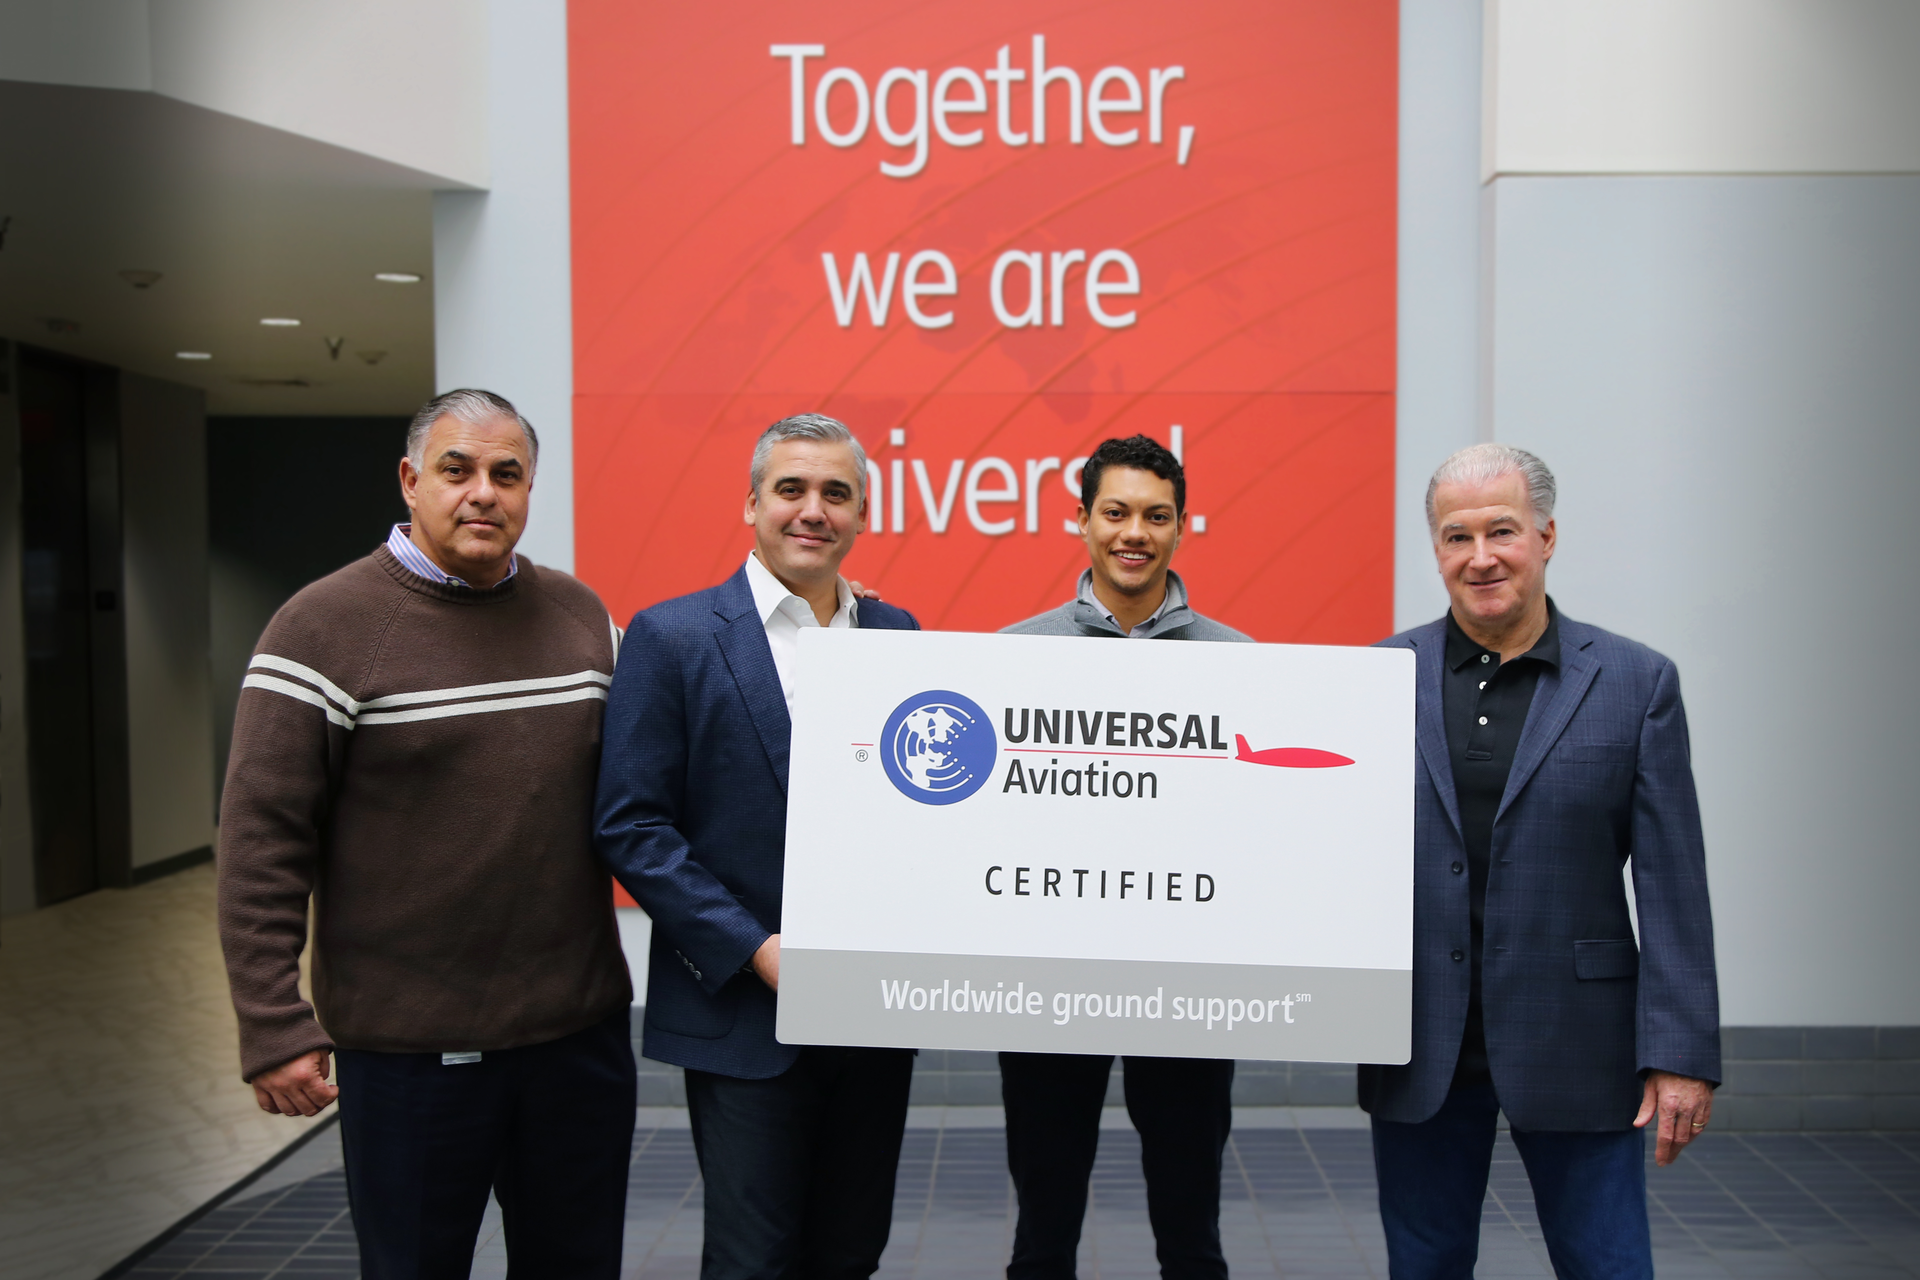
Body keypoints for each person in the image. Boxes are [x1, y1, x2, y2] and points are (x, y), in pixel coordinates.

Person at [217, 389, 636, 1278]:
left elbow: (678, 743)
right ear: (411, 482)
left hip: (577, 1043)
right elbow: (261, 840)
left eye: (507, 474)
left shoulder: (581, 619)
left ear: (530, 491)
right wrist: (272, 1022)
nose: (483, 492)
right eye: (458, 470)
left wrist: (824, 619)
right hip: (411, 1059)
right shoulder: (320, 627)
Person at [1363, 442, 1719, 1279]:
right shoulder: (1376, 678)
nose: (1480, 557)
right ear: (1437, 550)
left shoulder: (1636, 683)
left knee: (1607, 1266)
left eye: (1502, 531)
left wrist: (1681, 1055)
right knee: (1425, 1268)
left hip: (1580, 1043)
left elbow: (1673, 887)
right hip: (1421, 1045)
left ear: (1547, 537)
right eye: (1456, 537)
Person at [594, 413, 921, 1280]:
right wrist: (757, 951)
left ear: (862, 516)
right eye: (791, 489)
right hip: (742, 1012)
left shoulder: (901, 637)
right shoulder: (672, 637)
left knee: (852, 1253)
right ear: (751, 504)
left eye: (836, 494)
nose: (812, 510)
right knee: (752, 1261)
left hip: (870, 1021)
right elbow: (631, 824)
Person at [998, 434, 1248, 1280]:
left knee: (1191, 1230)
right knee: (1042, 1232)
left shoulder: (1243, 665)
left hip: (1188, 985)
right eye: (1115, 513)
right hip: (1048, 986)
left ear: (1182, 527)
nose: (1133, 532)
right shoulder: (1010, 657)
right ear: (1080, 522)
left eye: (1155, 515)